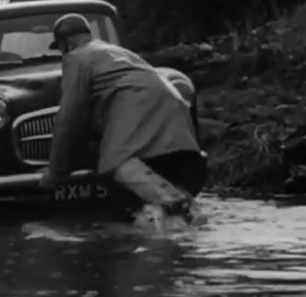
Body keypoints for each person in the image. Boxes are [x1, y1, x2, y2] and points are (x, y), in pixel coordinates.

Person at [38, 13, 207, 230]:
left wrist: (55, 171)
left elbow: (69, 116)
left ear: (66, 43)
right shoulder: (118, 52)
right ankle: (179, 217)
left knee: (115, 160)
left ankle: (177, 204)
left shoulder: (76, 57)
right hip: (173, 107)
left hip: (137, 105)